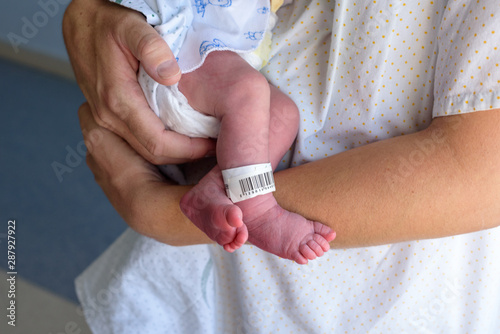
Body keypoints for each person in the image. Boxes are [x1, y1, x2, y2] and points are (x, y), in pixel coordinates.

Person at [65, 0, 500, 332]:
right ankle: (250, 203)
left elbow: (481, 171)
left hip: (345, 301)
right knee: (257, 102)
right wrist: (88, 13)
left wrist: (160, 214)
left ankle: (236, 195)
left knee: (271, 110)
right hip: (186, 59)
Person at [107, 0, 335, 263]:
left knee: (284, 114)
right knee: (248, 90)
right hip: (177, 58)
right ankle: (257, 210)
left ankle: (217, 188)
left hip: (209, 79)